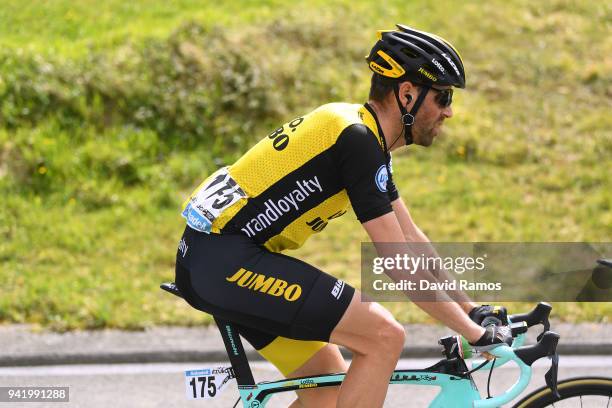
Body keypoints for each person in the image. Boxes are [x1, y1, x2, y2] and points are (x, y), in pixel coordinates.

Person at [174, 24, 510, 408]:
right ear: (407, 93)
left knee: (325, 387)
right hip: (224, 262)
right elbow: (399, 264)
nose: (449, 111)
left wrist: (471, 309)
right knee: (384, 336)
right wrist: (472, 332)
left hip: (213, 259)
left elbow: (411, 238)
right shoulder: (357, 141)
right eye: (443, 96)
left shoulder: (360, 134)